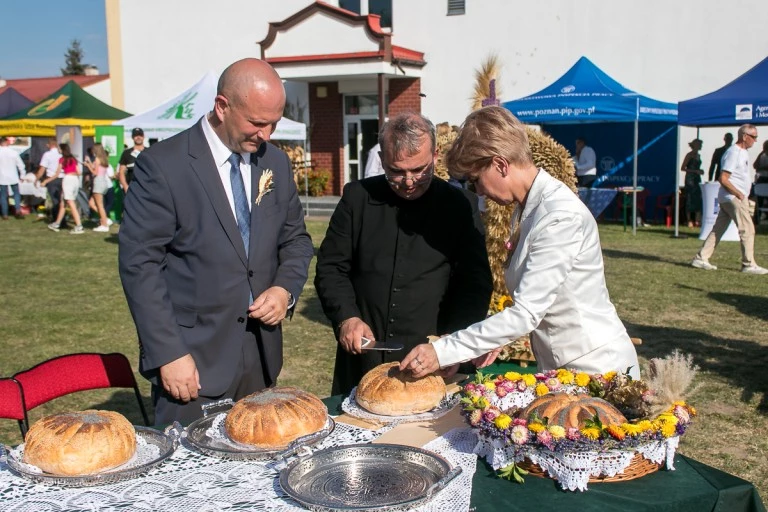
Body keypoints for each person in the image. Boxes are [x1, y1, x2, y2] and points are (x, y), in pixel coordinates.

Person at [118, 58, 314, 425]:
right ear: (222, 107)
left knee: (257, 468)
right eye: (257, 123)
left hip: (260, 352)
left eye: (273, 123)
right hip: (192, 361)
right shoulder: (163, 165)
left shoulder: (275, 162)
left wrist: (284, 290)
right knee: (188, 476)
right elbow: (140, 265)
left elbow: (297, 241)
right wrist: (168, 353)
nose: (267, 135)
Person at [399, 106, 640, 380]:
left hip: (596, 367)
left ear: (501, 165)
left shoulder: (558, 216)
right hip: (566, 365)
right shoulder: (528, 207)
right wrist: (491, 338)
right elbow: (539, 297)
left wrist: (442, 352)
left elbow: (527, 312)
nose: (477, 191)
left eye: (476, 180)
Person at [315, 112, 493, 395]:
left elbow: (475, 282)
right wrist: (346, 316)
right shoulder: (357, 198)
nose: (409, 182)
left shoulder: (459, 205)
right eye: (396, 172)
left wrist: (453, 341)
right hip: (367, 355)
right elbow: (331, 268)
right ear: (382, 159)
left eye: (420, 170)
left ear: (435, 155)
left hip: (434, 356)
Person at [692, 124, 768, 274]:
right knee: (747, 229)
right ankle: (748, 264)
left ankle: (701, 258)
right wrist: (739, 194)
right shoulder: (734, 153)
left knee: (718, 229)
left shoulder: (743, 152)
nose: (755, 140)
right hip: (733, 197)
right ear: (744, 136)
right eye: (753, 137)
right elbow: (723, 178)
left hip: (730, 197)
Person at [46, 143, 84, 234]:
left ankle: (79, 225)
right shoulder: (73, 159)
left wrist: (46, 181)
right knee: (63, 203)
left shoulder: (62, 160)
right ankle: (57, 223)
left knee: (70, 203)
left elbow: (56, 174)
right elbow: (79, 172)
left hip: (68, 180)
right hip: (75, 180)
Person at [83, 144, 113, 232]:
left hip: (98, 182)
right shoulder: (104, 159)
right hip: (103, 181)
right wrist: (89, 163)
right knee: (91, 203)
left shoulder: (97, 159)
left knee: (99, 205)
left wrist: (88, 166)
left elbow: (95, 172)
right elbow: (97, 168)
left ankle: (104, 225)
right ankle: (105, 219)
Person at [36, 138, 63, 225]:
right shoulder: (61, 154)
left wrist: (36, 179)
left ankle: (56, 220)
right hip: (63, 178)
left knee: (54, 201)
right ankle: (62, 219)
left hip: (52, 179)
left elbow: (42, 169)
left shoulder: (47, 155)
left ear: (49, 145)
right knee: (61, 200)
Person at [0, 137, 25, 219]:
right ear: (7, 142)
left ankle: (5, 214)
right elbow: (21, 165)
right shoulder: (13, 152)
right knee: (16, 194)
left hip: (2, 177)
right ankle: (17, 209)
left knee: (3, 195)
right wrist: (22, 175)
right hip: (13, 176)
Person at [681, 138, 704, 228]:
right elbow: (683, 168)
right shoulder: (689, 155)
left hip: (697, 178)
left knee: (698, 198)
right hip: (690, 178)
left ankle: (697, 219)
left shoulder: (698, 155)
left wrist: (699, 171)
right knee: (690, 198)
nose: (701, 146)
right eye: (700, 144)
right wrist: (695, 171)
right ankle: (689, 219)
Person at [118, 127, 146, 193]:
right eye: (136, 135)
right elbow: (121, 172)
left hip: (146, 188)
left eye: (140, 135)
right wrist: (125, 186)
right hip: (131, 188)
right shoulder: (126, 153)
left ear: (143, 137)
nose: (138, 137)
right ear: (132, 137)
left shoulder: (149, 152)